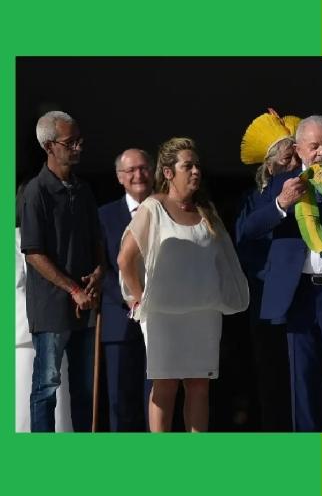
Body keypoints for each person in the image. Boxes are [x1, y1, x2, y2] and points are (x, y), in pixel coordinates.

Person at [242, 115, 322, 432]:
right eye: (314, 146)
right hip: (298, 295)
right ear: (299, 149)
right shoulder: (277, 185)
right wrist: (280, 204)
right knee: (302, 382)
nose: (321, 153)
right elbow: (247, 230)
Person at [117, 137, 248, 432]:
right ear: (167, 172)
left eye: (197, 166)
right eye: (187, 166)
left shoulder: (206, 211)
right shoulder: (153, 207)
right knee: (165, 386)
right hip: (163, 318)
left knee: (199, 386)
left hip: (203, 316)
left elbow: (221, 263)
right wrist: (139, 302)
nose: (195, 172)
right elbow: (125, 259)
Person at [20, 110, 104, 432]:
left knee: (84, 388)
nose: (79, 147)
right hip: (53, 307)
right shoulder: (36, 192)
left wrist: (99, 272)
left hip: (85, 305)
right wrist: (74, 290)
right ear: (49, 146)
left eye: (80, 141)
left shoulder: (83, 190)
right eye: (71, 142)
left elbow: (97, 239)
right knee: (46, 387)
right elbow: (34, 253)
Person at [235, 111, 300, 431]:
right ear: (271, 163)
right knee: (272, 379)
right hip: (266, 302)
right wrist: (280, 205)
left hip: (305, 297)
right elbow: (244, 235)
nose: (293, 165)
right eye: (288, 158)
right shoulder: (253, 199)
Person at [97, 149, 154, 432]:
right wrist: (131, 296)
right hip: (120, 322)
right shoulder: (104, 216)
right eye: (130, 170)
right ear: (120, 177)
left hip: (161, 321)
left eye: (143, 168)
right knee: (121, 402)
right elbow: (100, 268)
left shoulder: (168, 209)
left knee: (157, 401)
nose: (138, 175)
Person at [16, 183, 73, 432]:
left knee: (60, 405)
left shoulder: (55, 239)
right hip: (25, 335)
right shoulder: (12, 239)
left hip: (56, 327)